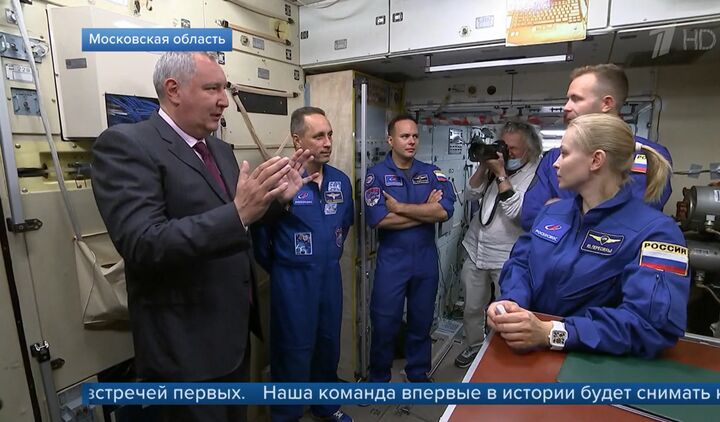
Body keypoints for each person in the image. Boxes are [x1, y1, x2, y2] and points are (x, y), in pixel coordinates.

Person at [92, 52, 314, 422]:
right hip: (184, 350)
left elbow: (240, 220)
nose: (224, 100)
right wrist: (239, 213)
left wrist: (277, 201)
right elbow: (143, 243)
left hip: (232, 337)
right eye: (212, 89)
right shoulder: (127, 146)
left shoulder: (219, 150)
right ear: (173, 90)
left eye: (224, 89)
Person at [487, 114, 689, 358]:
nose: (555, 163)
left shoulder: (658, 233)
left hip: (592, 363)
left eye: (564, 154)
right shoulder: (552, 212)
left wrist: (553, 332)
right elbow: (521, 264)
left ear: (596, 160)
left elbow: (651, 325)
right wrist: (511, 303)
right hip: (529, 349)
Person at [252, 107, 354, 422]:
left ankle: (326, 406)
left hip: (329, 278)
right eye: (319, 136)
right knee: (292, 350)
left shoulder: (340, 181)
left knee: (328, 344)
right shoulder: (278, 183)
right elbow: (259, 239)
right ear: (298, 140)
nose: (328, 142)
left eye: (330, 134)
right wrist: (287, 268)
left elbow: (344, 225)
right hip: (292, 282)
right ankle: (287, 414)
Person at [520, 64, 673, 231]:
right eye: (568, 99)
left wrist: (556, 209)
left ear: (606, 103)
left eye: (576, 99)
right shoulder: (554, 158)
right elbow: (530, 217)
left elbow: (636, 221)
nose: (566, 107)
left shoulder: (645, 154)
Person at [364, 115, 456, 382]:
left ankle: (417, 373)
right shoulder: (376, 175)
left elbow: (444, 212)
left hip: (425, 260)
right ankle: (378, 379)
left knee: (421, 321)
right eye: (405, 136)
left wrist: (400, 208)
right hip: (392, 261)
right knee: (384, 322)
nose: (411, 141)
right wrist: (425, 210)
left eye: (415, 136)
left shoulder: (432, 173)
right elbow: (379, 220)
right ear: (390, 140)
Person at [454, 122, 541, 368]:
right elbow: (470, 194)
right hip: (476, 249)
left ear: (529, 151)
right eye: (503, 146)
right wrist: (485, 164)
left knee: (505, 313)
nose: (506, 153)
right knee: (472, 308)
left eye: (513, 149)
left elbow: (516, 213)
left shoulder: (536, 175)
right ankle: (474, 345)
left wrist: (501, 174)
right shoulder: (494, 166)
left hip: (507, 257)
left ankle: (502, 356)